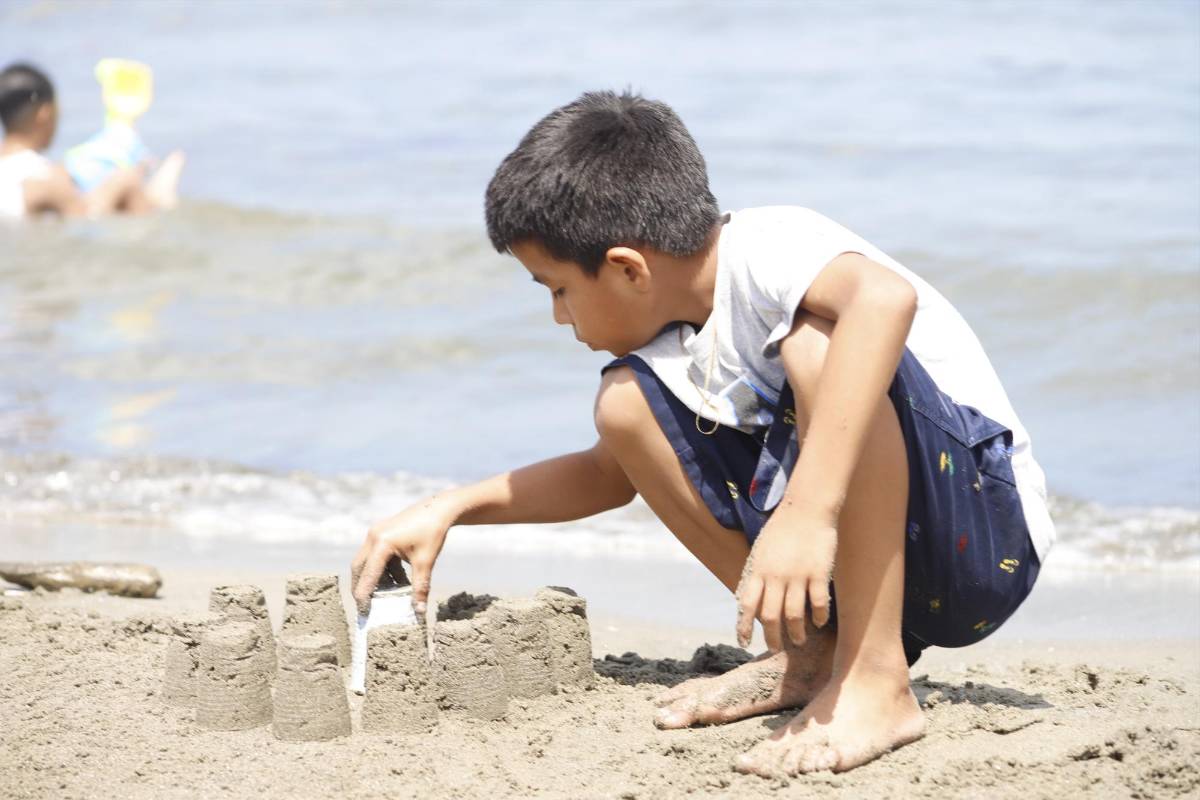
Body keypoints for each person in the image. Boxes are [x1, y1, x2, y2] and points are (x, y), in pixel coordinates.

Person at [351, 90, 1054, 777]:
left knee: (818, 342)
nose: (560, 317)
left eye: (557, 288)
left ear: (628, 268)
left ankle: (876, 681)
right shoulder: (677, 340)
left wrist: (809, 512)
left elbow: (884, 298)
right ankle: (813, 653)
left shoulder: (769, 248)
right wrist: (449, 507)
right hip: (868, 564)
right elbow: (607, 474)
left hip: (981, 539)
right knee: (624, 405)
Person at [0, 62, 182, 221]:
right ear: (44, 113)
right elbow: (85, 226)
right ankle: (157, 201)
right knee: (127, 181)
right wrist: (121, 182)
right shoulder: (47, 179)